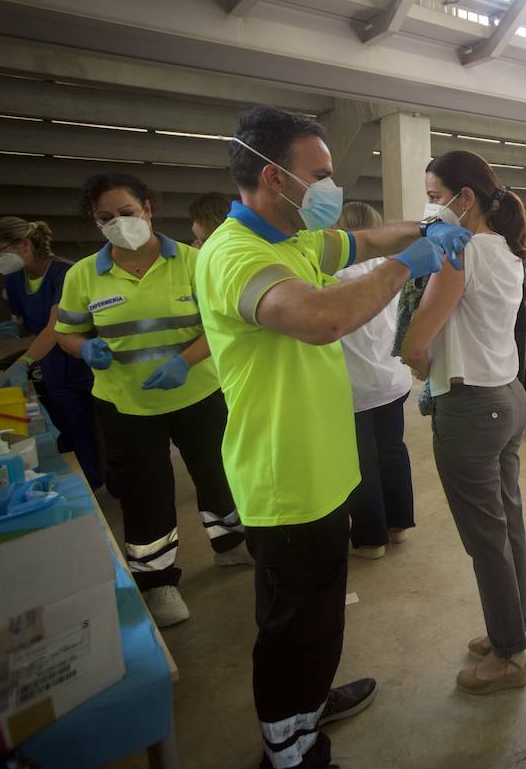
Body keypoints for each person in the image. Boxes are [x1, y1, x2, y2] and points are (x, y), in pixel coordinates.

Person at [195, 105, 471, 769]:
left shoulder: (292, 238)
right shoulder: (235, 255)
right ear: (272, 177)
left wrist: (437, 224)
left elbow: (371, 241)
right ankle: (290, 751)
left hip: (321, 469)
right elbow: (320, 317)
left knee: (317, 620)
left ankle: (309, 704)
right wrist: (411, 264)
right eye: (318, 176)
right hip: (284, 480)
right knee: (292, 629)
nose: (330, 189)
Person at [54, 174, 247, 628]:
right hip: (126, 405)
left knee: (218, 473)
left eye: (126, 212)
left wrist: (185, 360)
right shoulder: (84, 274)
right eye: (106, 218)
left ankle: (230, 545)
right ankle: (158, 583)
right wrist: (85, 349)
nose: (118, 223)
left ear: (148, 207)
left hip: (199, 393)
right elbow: (66, 330)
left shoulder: (195, 261)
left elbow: (220, 325)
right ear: (94, 222)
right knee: (146, 494)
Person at [399, 150, 526, 695]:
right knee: (507, 527)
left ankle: (510, 654)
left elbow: (414, 342)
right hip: (508, 396)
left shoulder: (459, 254)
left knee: (485, 538)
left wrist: (426, 370)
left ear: (465, 198)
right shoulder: (509, 251)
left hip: (471, 406)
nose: (432, 209)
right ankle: (512, 629)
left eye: (435, 198)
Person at [0, 217, 104, 488]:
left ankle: (105, 482)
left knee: (95, 431)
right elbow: (26, 322)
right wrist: (16, 329)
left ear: (24, 244)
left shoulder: (64, 274)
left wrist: (24, 361)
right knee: (68, 430)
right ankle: (86, 483)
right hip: (51, 366)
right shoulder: (15, 280)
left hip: (83, 361)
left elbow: (54, 328)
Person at [334, 201, 416, 561]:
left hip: (354, 385)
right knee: (392, 450)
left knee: (361, 461)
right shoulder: (391, 269)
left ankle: (371, 539)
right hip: (392, 379)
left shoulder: (333, 276)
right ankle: (398, 526)